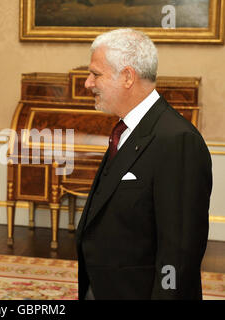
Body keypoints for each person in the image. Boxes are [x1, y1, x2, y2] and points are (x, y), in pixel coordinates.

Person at [76, 28, 212, 300]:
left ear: (127, 76)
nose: (88, 83)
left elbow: (179, 253)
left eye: (96, 74)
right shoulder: (126, 129)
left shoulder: (177, 140)